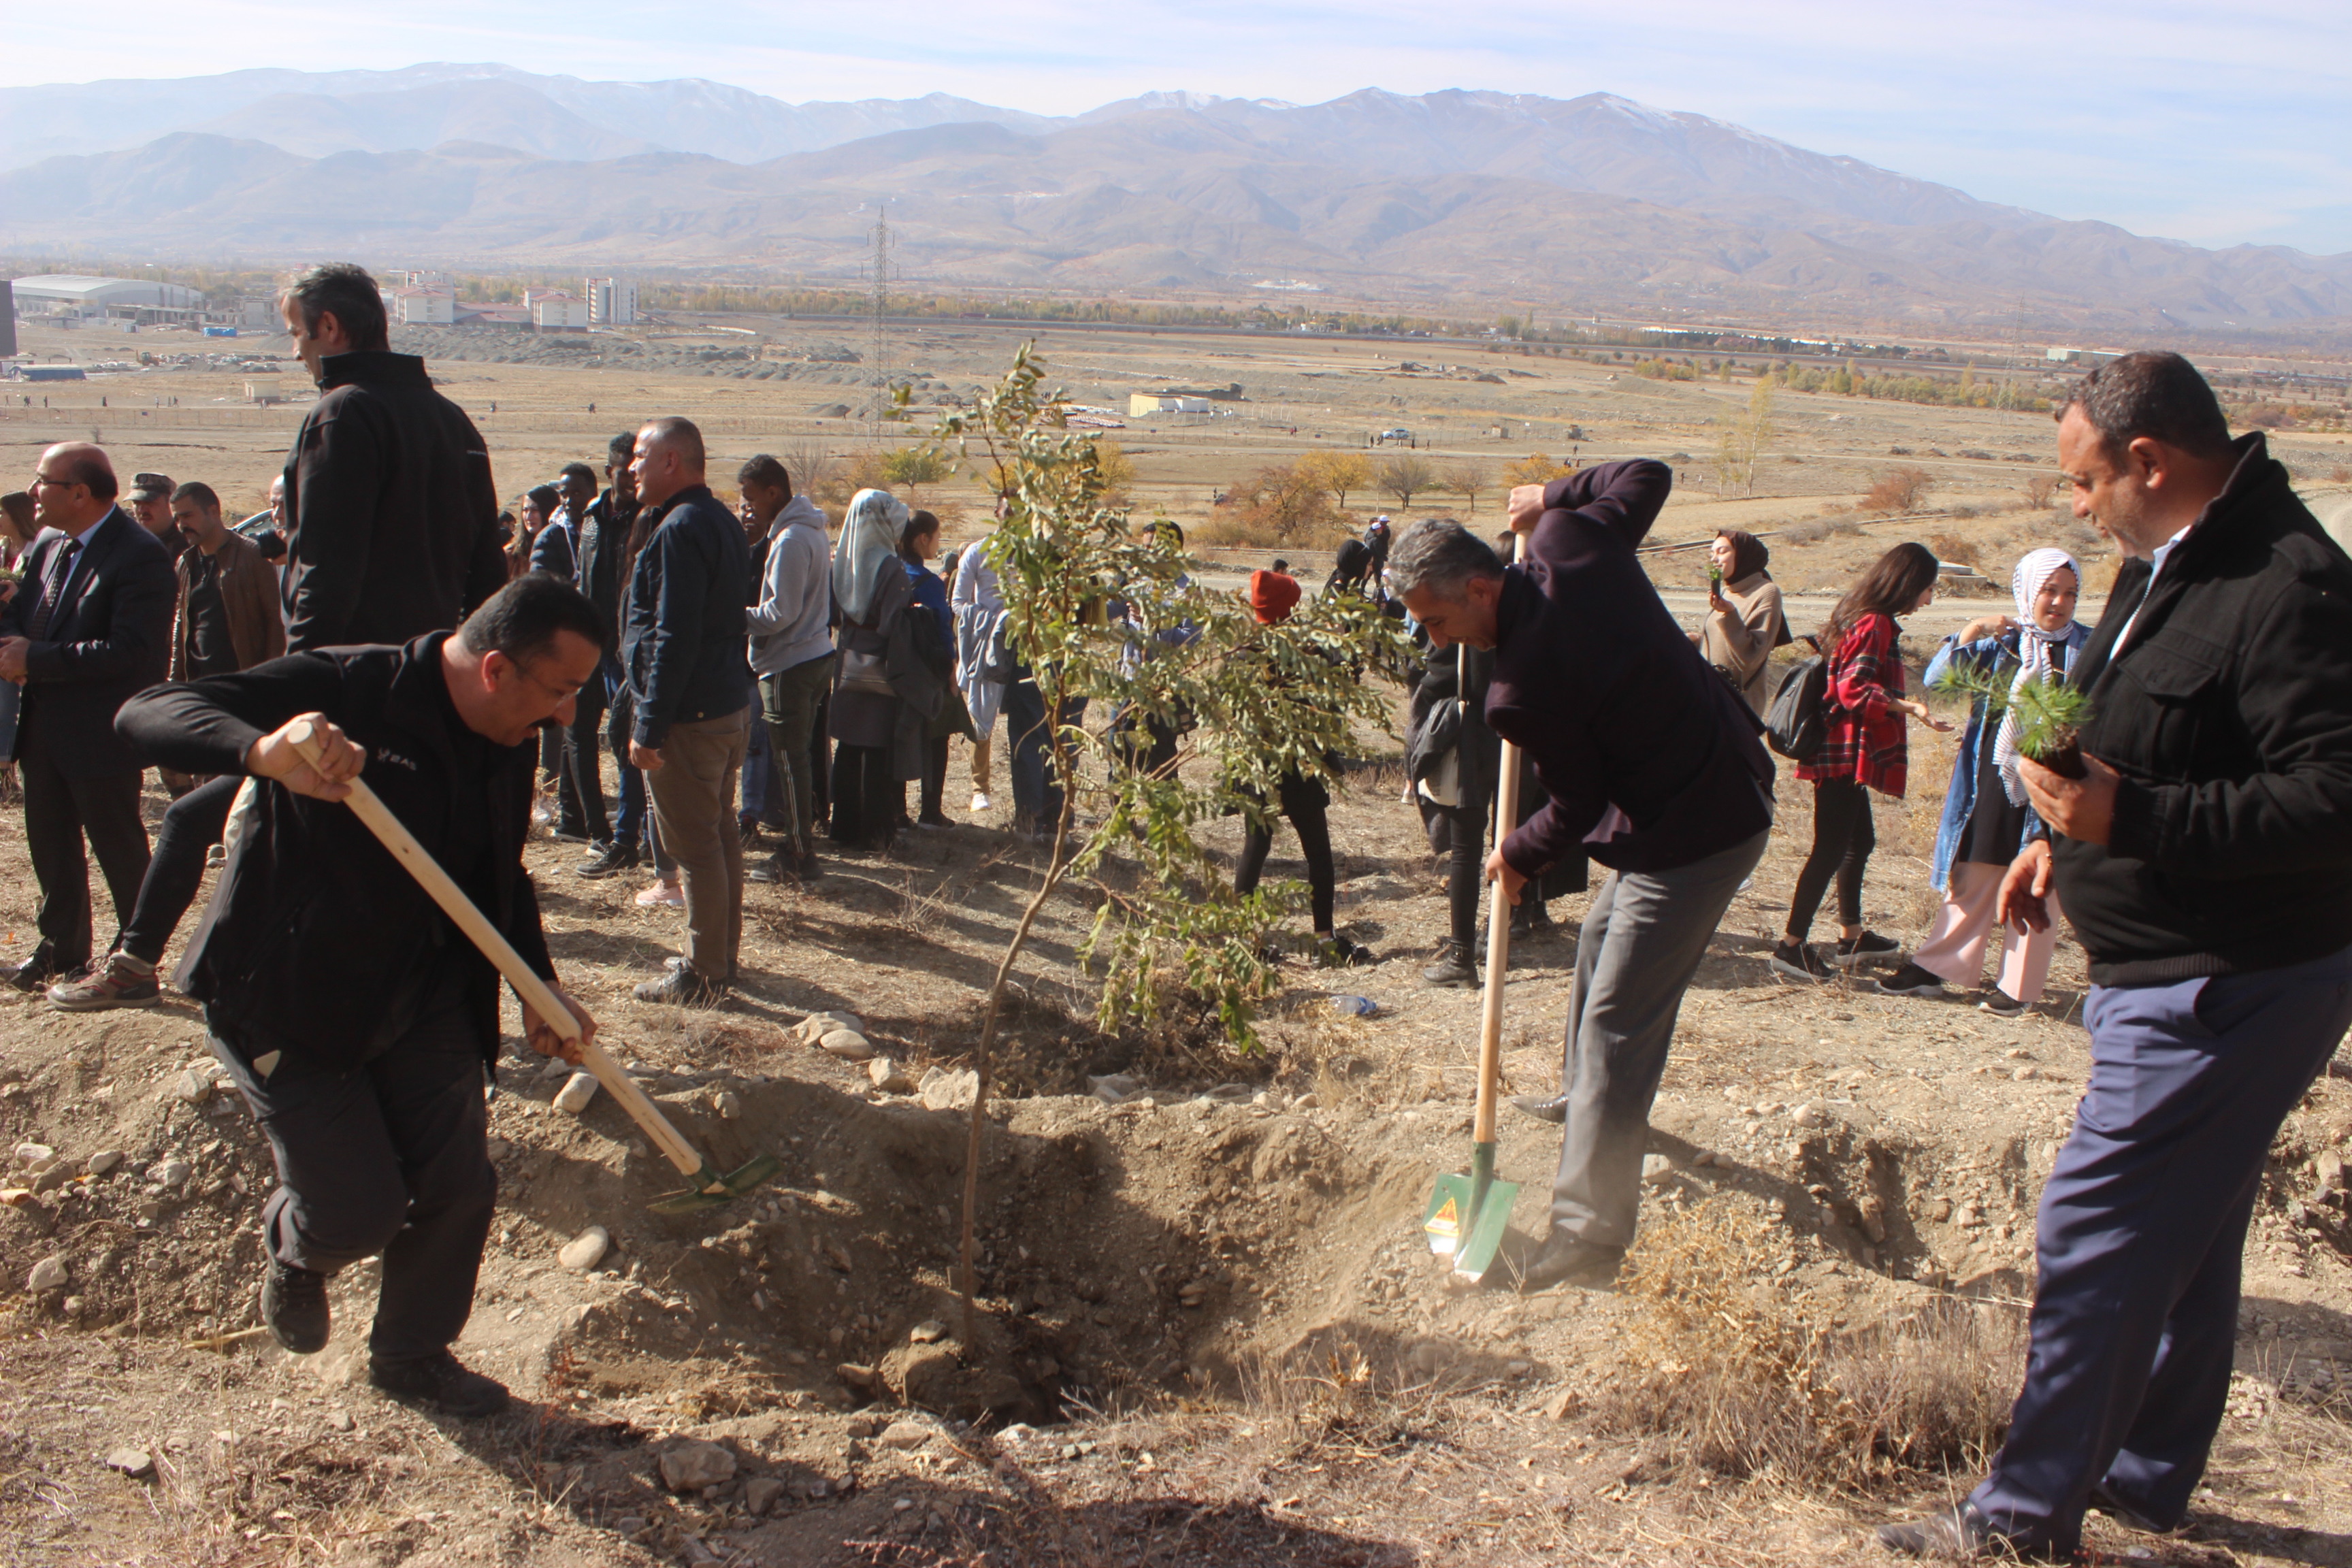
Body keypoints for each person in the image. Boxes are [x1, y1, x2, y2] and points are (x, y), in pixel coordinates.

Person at [1879, 354, 2352, 1558]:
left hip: (2230, 975)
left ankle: (2020, 1516)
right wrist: (2052, 840)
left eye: (2084, 481)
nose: (2075, 508)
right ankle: (2140, 1476)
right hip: (2171, 961)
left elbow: (2333, 799)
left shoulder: (2289, 584)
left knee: (2095, 1228)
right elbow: (2125, 726)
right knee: (2187, 1233)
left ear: (2149, 461)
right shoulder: (2168, 560)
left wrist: (2125, 824)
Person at [115, 574, 608, 1418]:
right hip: (290, 996)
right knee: (358, 1209)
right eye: (560, 692)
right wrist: (261, 748)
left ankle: (413, 1356)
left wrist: (537, 984)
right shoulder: (350, 685)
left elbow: (499, 872)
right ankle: (300, 1253)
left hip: (427, 992)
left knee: (456, 1183)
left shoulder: (507, 733)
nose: (566, 716)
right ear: (497, 669)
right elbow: (146, 712)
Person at [1389, 463, 1776, 1294]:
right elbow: (1643, 477)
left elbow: (1577, 805)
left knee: (1615, 1019)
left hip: (1699, 830)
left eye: (1438, 618)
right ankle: (1586, 1106)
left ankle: (1589, 1231)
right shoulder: (1570, 542)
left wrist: (1515, 853)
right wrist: (1553, 498)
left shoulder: (1521, 687)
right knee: (1599, 942)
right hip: (1693, 791)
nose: (1435, 642)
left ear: (1484, 587)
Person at [48, 482, 288, 1010]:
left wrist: (269, 703)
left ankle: (171, 966)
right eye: (176, 515)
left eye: (188, 515)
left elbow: (274, 634)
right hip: (210, 701)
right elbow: (182, 633)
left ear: (214, 511)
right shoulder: (186, 564)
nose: (181, 523)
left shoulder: (251, 562)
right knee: (197, 813)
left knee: (223, 826)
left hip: (259, 708)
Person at [1880, 550, 2089, 1013]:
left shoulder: (2089, 649)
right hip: (1992, 778)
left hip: (2055, 784)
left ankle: (2018, 988)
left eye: (2069, 593)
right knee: (1974, 871)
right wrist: (1973, 630)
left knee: (2040, 883)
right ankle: (1940, 968)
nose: (2059, 602)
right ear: (2027, 591)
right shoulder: (2003, 644)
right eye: (2048, 591)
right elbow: (1937, 680)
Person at [1, 444, 178, 993]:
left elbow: (134, 652)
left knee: (117, 846)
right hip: (43, 726)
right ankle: (61, 950)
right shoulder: (52, 543)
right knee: (50, 844)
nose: (33, 492)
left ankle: (133, 960)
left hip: (102, 730)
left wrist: (35, 658)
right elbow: (37, 617)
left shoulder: (139, 556)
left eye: (42, 481)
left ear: (80, 493)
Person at [277, 262, 505, 649]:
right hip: (431, 675)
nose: (296, 352)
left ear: (329, 327)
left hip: (356, 679)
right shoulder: (453, 420)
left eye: (297, 333)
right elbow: (487, 576)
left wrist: (297, 680)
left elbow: (327, 574)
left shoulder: (341, 414)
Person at [1771, 542, 1951, 983]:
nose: (1929, 599)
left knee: (1859, 841)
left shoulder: (1861, 613)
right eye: (1928, 589)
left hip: (1840, 752)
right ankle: (1791, 947)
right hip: (1840, 752)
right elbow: (1853, 690)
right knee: (1831, 848)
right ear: (1909, 585)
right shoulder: (1875, 624)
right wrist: (1912, 708)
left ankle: (1851, 936)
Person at [622, 418, 753, 1003]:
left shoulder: (680, 527)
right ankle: (721, 959)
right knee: (720, 833)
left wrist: (650, 723)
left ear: (672, 461)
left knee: (696, 845)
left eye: (640, 456)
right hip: (725, 705)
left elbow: (674, 633)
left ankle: (703, 974)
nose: (631, 468)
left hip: (690, 715)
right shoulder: (719, 519)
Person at [1232, 568, 1373, 968]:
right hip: (1299, 766)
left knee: (1254, 849)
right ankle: (1326, 940)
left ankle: (1246, 943)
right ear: (1288, 609)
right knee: (1318, 855)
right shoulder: (1306, 651)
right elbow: (1329, 703)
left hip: (1258, 764)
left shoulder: (1244, 650)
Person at [740, 456, 832, 885]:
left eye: (751, 497)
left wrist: (735, 617)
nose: (748, 507)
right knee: (796, 757)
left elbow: (782, 611)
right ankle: (799, 843)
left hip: (790, 662)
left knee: (791, 761)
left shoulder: (793, 538)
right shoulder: (806, 530)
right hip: (808, 656)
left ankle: (798, 852)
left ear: (773, 492)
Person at [827, 489, 914, 852]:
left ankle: (843, 828)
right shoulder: (891, 566)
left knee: (848, 746)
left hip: (847, 659)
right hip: (881, 663)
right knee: (878, 750)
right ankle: (877, 833)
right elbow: (895, 622)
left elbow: (833, 614)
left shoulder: (842, 561)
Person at [576, 434, 647, 879]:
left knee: (625, 745)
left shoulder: (649, 520)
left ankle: (627, 839)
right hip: (587, 647)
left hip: (625, 654)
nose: (631, 479)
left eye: (637, 469)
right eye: (624, 471)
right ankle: (596, 831)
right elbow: (581, 578)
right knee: (579, 738)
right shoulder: (591, 519)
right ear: (609, 472)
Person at [542, 462, 608, 849]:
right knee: (577, 734)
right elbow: (542, 585)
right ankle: (582, 821)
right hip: (569, 646)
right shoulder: (553, 536)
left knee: (585, 735)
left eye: (576, 493)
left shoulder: (598, 527)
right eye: (564, 493)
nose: (568, 500)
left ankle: (576, 816)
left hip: (601, 647)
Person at [900, 509, 971, 828]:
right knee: (936, 738)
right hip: (930, 672)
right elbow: (944, 629)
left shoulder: (892, 573)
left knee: (899, 739)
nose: (939, 543)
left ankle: (898, 812)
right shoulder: (927, 583)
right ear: (923, 539)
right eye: (938, 536)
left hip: (899, 671)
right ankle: (930, 810)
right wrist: (952, 672)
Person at [1692, 529, 1786, 713]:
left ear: (1743, 555)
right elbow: (1721, 644)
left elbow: (1752, 657)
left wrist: (1730, 615)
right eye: (1712, 553)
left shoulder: (1767, 592)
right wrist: (1695, 641)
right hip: (1710, 699)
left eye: (1722, 551)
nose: (1714, 559)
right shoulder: (1727, 592)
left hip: (1737, 707)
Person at [951, 521, 1007, 813]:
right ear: (997, 513)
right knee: (982, 719)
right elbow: (958, 602)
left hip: (1027, 643)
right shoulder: (977, 552)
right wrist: (992, 621)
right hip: (989, 643)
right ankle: (979, 787)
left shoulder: (1035, 556)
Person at [124, 472, 187, 563]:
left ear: (170, 504)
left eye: (149, 502)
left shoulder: (188, 545)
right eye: (136, 503)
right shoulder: (125, 542)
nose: (142, 510)